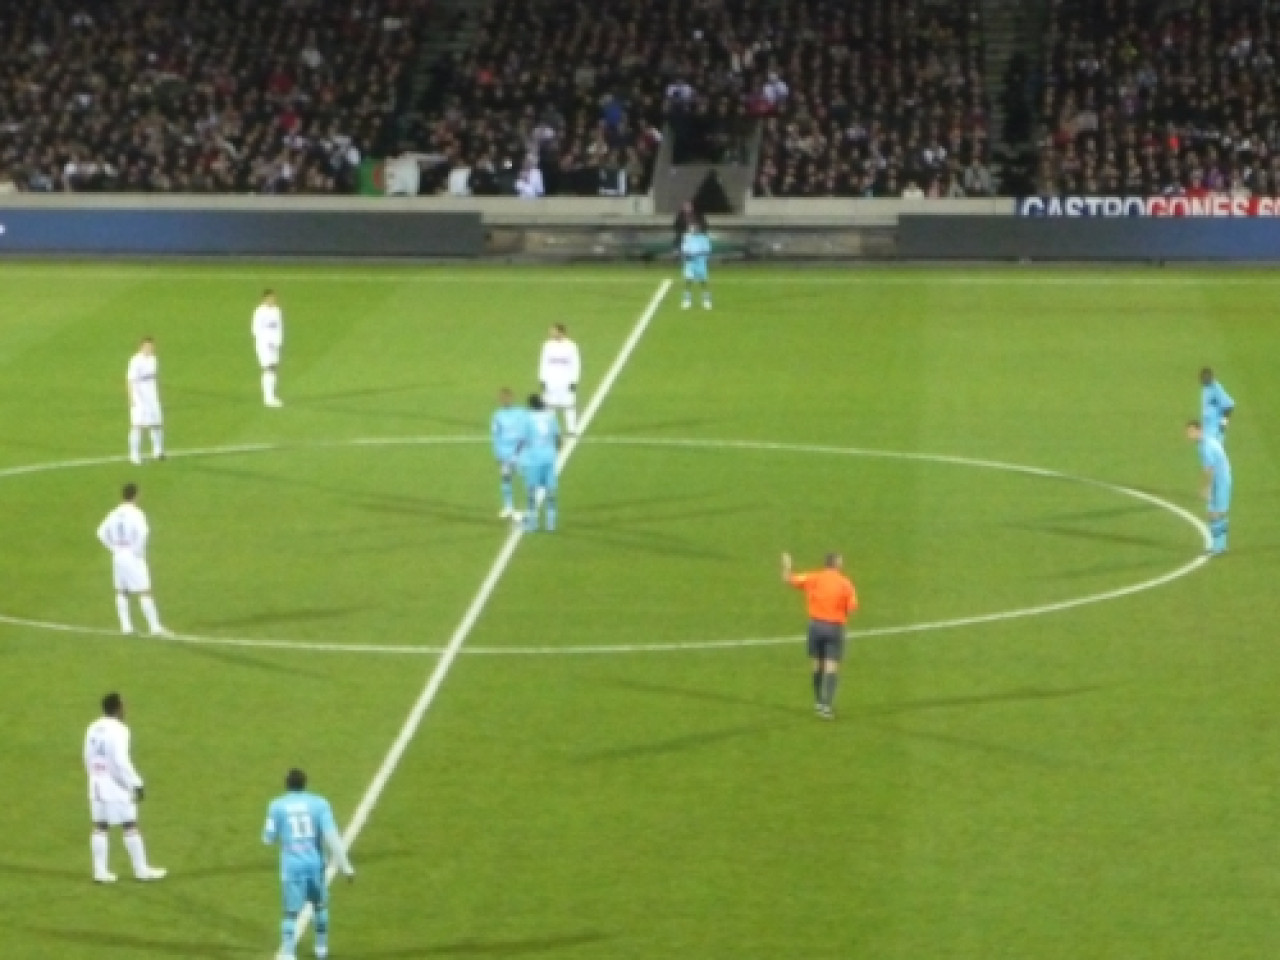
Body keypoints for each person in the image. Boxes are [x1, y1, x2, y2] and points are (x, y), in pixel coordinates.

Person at [263, 769, 355, 960]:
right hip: (315, 865)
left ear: (286, 784)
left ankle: (289, 954)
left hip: (292, 866)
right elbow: (332, 837)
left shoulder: (276, 806)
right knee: (319, 906)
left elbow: (268, 838)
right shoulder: (320, 804)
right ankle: (321, 950)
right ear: (305, 783)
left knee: (290, 913)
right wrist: (346, 866)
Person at [84, 692, 167, 883]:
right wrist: (136, 783)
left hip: (96, 782)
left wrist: (94, 775)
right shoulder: (120, 730)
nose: (126, 708)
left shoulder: (93, 727)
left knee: (100, 826)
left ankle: (100, 871)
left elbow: (86, 755)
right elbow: (121, 761)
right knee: (130, 824)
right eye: (124, 705)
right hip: (115, 784)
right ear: (118, 708)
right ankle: (141, 870)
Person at [781, 552, 858, 719]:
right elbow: (852, 607)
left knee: (816, 664)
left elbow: (789, 579)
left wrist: (787, 565)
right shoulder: (845, 583)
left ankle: (818, 701)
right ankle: (826, 705)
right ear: (837, 564)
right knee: (832, 666)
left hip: (815, 626)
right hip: (834, 627)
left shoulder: (814, 577)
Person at [96, 483, 170, 636]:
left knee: (121, 591)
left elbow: (100, 532)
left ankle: (126, 627)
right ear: (136, 495)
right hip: (132, 555)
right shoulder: (136, 513)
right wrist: (136, 550)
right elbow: (144, 533)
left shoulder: (114, 513)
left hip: (118, 555)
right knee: (145, 591)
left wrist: (113, 547)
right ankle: (155, 627)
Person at [516, 394, 561, 532]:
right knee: (550, 491)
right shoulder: (550, 417)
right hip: (548, 457)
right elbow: (558, 438)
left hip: (534, 458)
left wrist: (517, 454)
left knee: (531, 491)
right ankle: (551, 523)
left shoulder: (527, 418)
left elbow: (522, 439)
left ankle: (533, 523)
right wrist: (554, 453)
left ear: (530, 405)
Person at [1187, 420, 1232, 555]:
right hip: (1220, 477)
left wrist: (1205, 488)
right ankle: (1220, 546)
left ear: (1199, 430)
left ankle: (1218, 547)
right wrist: (1223, 426)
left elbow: (1209, 469)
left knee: (1216, 513)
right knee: (1214, 512)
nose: (1189, 435)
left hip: (1221, 479)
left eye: (1191, 432)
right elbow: (1219, 435)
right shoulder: (1206, 440)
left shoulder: (1205, 446)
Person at [126, 337, 164, 465]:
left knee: (157, 424)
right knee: (138, 426)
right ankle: (134, 455)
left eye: (152, 346)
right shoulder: (135, 361)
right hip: (139, 398)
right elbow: (130, 380)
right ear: (141, 347)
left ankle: (158, 452)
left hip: (152, 397)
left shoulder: (153, 359)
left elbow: (154, 378)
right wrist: (132, 399)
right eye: (147, 346)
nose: (150, 349)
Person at [491, 387, 527, 519]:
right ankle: (508, 507)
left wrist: (519, 450)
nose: (504, 400)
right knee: (506, 479)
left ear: (511, 398)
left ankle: (529, 507)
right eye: (502, 398)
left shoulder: (521, 413)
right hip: (504, 453)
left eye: (506, 397)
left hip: (519, 452)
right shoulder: (497, 415)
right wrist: (497, 454)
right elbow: (496, 436)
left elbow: (525, 432)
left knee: (525, 478)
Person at [538, 323, 581, 435]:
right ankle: (549, 429)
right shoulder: (547, 345)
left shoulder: (571, 346)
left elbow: (576, 364)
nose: (551, 333)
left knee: (569, 404)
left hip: (566, 381)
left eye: (554, 331)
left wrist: (574, 380)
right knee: (549, 405)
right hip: (551, 380)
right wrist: (542, 379)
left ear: (561, 332)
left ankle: (571, 429)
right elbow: (543, 363)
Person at [253, 289, 285, 408]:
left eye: (274, 298)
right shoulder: (259, 312)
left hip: (275, 344)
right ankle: (268, 398)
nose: (273, 300)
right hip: (264, 345)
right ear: (264, 299)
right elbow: (255, 330)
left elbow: (280, 327)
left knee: (274, 368)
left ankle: (272, 395)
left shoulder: (277, 310)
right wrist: (266, 343)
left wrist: (279, 342)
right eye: (270, 298)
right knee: (269, 368)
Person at [680, 221, 713, 310]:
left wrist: (697, 255)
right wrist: (686, 256)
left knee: (703, 282)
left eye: (695, 228)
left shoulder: (703, 238)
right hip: (690, 263)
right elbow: (684, 249)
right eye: (691, 228)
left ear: (698, 229)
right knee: (688, 281)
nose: (693, 230)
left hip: (700, 263)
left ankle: (706, 301)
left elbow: (707, 250)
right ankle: (687, 301)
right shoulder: (687, 237)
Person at [1199, 367, 1235, 442]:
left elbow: (1229, 406)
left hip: (1216, 431)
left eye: (1207, 377)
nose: (1204, 379)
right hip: (1208, 429)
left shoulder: (1216, 388)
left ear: (1211, 377)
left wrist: (1223, 423)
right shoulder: (1206, 388)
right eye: (1203, 378)